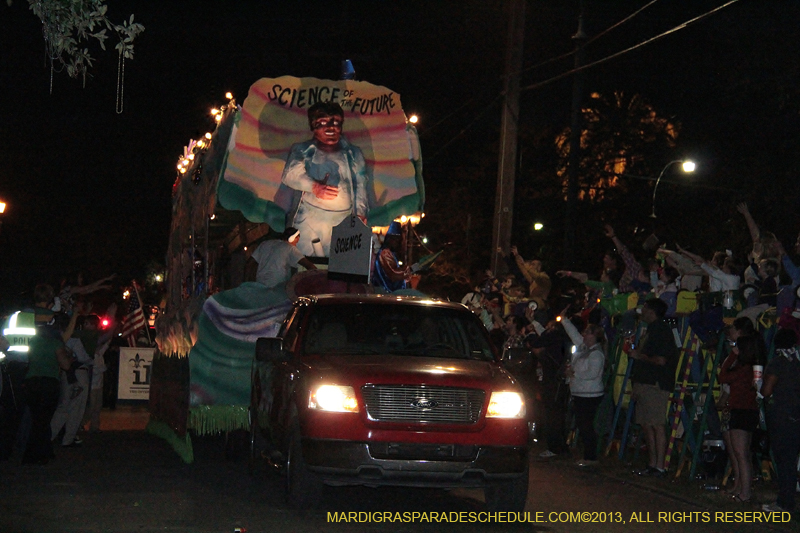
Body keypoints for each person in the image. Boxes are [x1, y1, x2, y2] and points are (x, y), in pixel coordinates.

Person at [281, 101, 371, 257]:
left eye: (336, 122)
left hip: (342, 222)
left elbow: (360, 185)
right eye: (322, 122)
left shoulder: (354, 154)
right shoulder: (302, 150)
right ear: (312, 125)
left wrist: (360, 213)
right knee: (304, 263)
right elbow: (290, 175)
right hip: (309, 220)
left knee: (338, 266)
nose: (331, 128)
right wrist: (314, 187)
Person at [21, 284, 73, 464]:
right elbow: (65, 365)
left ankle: (40, 452)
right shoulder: (55, 342)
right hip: (49, 382)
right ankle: (36, 454)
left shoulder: (31, 341)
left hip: (31, 380)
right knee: (44, 419)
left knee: (37, 418)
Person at [628, 298, 679, 477]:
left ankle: (660, 465)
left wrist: (639, 356)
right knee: (647, 424)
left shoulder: (661, 330)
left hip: (655, 383)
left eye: (646, 309)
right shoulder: (652, 329)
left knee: (656, 424)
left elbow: (661, 360)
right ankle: (652, 464)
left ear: (652, 311)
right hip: (645, 382)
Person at [760, 328, 800, 513]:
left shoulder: (777, 363)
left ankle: (784, 502)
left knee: (784, 462)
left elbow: (766, 390)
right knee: (791, 461)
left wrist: (759, 387)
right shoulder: (797, 363)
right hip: (796, 415)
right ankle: (788, 501)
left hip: (782, 417)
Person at [560, 310, 606, 467]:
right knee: (583, 425)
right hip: (581, 392)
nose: (584, 335)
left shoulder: (596, 354)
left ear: (595, 336)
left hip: (590, 394)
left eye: (588, 333)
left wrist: (573, 373)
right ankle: (588, 456)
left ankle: (591, 457)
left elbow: (592, 374)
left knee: (586, 426)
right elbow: (574, 335)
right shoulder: (584, 348)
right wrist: (564, 320)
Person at [718, 334, 759, 502]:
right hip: (749, 411)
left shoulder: (743, 369)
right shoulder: (753, 368)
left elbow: (723, 376)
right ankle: (743, 489)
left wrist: (732, 356)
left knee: (740, 453)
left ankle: (745, 493)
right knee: (743, 453)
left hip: (740, 411)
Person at [247, 227, 318, 289]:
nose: (296, 244)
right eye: (297, 240)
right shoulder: (290, 248)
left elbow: (249, 263)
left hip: (260, 286)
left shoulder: (264, 244)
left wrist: (247, 283)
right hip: (277, 289)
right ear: (295, 238)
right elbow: (310, 266)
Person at [372, 221, 411, 293]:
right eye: (394, 239)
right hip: (386, 291)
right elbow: (393, 274)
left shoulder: (390, 253)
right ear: (389, 239)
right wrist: (407, 270)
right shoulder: (385, 253)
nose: (396, 242)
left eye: (398, 239)